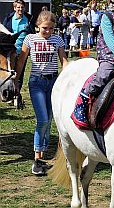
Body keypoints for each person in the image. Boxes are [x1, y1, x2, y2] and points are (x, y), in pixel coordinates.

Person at [14, 11, 68, 175]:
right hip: (36, 82)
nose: (48, 31)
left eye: (51, 28)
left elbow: (63, 60)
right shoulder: (30, 39)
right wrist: (16, 81)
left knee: (49, 119)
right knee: (42, 119)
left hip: (53, 82)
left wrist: (67, 76)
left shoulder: (57, 39)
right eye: (45, 28)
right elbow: (22, 61)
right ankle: (37, 158)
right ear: (37, 26)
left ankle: (42, 157)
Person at [2, 0, 35, 91]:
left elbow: (32, 34)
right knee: (9, 72)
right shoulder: (8, 19)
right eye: (18, 7)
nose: (20, 9)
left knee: (20, 74)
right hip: (11, 51)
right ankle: (8, 92)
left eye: (22, 7)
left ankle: (17, 94)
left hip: (23, 50)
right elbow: (4, 33)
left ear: (25, 8)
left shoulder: (29, 19)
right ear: (14, 8)